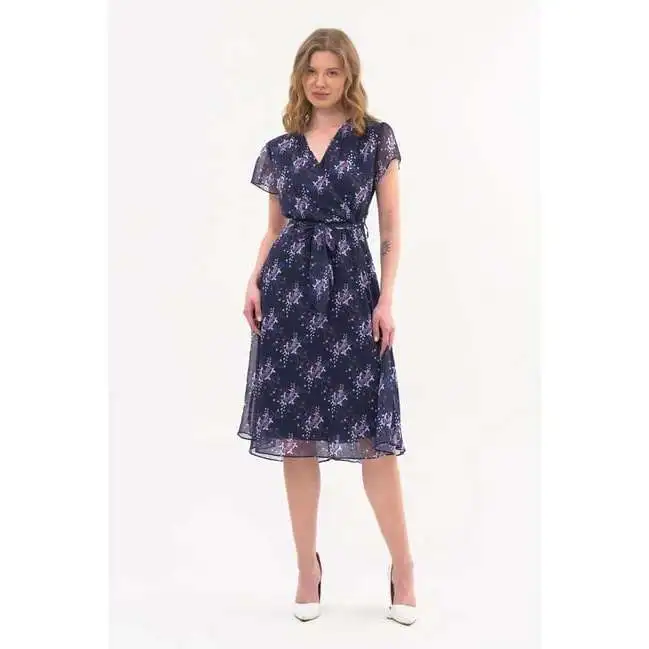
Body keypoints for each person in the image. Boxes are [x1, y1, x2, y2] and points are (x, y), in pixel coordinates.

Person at [238, 28, 417, 625]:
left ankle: (404, 567)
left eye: (332, 72)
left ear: (349, 77)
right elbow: (274, 229)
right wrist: (254, 280)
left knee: (373, 440)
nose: (320, 82)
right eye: (311, 71)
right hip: (288, 297)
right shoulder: (281, 149)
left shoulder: (375, 140)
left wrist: (386, 300)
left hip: (352, 296)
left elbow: (390, 226)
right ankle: (306, 570)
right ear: (300, 76)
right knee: (295, 439)